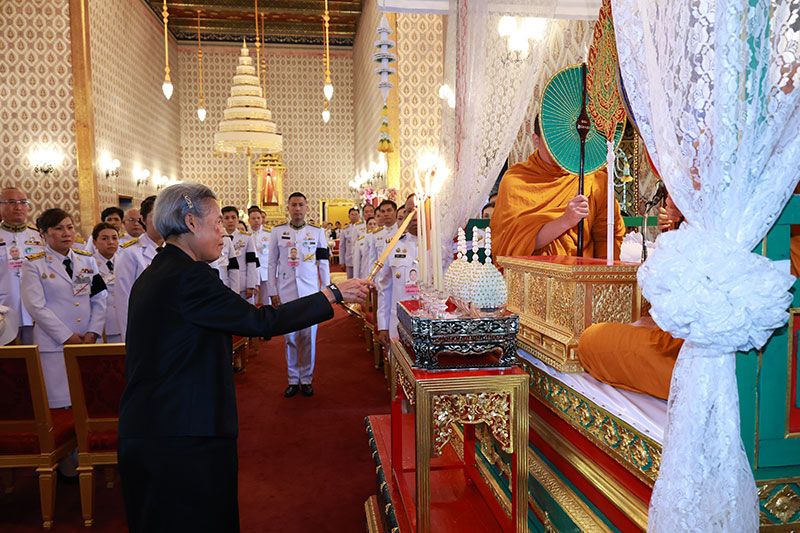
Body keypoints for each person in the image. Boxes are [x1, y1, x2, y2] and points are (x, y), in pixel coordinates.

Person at [118, 183, 371, 533]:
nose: (224, 232)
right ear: (190, 223)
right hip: (181, 433)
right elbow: (260, 321)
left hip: (158, 424)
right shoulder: (188, 277)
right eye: (216, 224)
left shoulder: (162, 269)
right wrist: (330, 295)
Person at [577, 193, 686, 400]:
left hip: (687, 357)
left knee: (591, 340)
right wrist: (675, 226)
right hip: (697, 347)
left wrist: (682, 222)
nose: (668, 200)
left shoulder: (708, 224)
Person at [490, 115, 625, 258]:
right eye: (552, 141)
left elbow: (607, 238)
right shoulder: (516, 180)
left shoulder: (594, 179)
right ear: (536, 140)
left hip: (580, 270)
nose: (559, 149)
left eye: (565, 140)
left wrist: (600, 271)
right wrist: (565, 221)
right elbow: (510, 244)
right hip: (530, 271)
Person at [21, 208, 107, 408]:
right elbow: (36, 307)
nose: (66, 233)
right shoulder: (34, 265)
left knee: (89, 401)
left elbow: (99, 298)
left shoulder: (86, 260)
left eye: (69, 227)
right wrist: (67, 336)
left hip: (87, 340)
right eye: (59, 229)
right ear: (43, 233)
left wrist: (93, 332)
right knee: (60, 405)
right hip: (54, 344)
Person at [267, 192, 331, 397]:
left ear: (306, 207)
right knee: (290, 337)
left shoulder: (317, 232)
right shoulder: (278, 232)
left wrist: (327, 290)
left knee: (309, 337)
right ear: (288, 207)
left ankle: (307, 378)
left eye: (300, 205)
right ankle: (293, 379)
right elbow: (271, 263)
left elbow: (323, 263)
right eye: (293, 205)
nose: (297, 209)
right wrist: (272, 291)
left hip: (310, 291)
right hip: (286, 291)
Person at [115, 196, 164, 341]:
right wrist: (129, 339)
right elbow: (124, 300)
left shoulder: (177, 250)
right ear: (143, 219)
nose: (161, 221)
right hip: (144, 330)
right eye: (155, 216)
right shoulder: (130, 253)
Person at [0, 186, 43, 343]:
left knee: (36, 354)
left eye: (23, 202)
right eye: (11, 202)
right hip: (4, 309)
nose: (18, 207)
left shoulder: (39, 236)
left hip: (35, 310)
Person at [376, 195, 419, 346]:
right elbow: (384, 287)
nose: (414, 217)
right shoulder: (393, 245)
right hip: (399, 322)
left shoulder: (442, 245)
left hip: (432, 322)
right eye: (409, 211)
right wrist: (383, 325)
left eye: (418, 211)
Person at [92, 222, 123, 343]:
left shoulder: (125, 261)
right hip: (101, 324)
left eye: (114, 238)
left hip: (122, 320)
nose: (111, 242)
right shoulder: (88, 264)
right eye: (105, 238)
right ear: (94, 242)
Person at [222, 206, 259, 302]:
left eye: (233, 217)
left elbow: (251, 262)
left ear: (238, 219)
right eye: (227, 218)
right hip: (223, 282)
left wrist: (251, 285)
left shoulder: (246, 238)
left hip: (243, 284)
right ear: (222, 220)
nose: (230, 220)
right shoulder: (218, 238)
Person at [248, 206, 271, 305]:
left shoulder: (269, 233)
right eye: (253, 218)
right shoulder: (245, 234)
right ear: (249, 220)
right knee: (252, 299)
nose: (256, 220)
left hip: (266, 269)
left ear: (262, 219)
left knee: (268, 298)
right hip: (251, 270)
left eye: (258, 218)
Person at [339, 207, 361, 279]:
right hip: (350, 259)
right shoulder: (345, 229)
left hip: (361, 259)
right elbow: (342, 246)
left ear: (359, 215)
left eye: (356, 214)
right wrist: (342, 261)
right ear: (349, 216)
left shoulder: (364, 227)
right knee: (350, 280)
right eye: (352, 214)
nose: (354, 216)